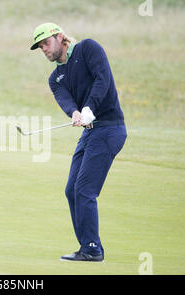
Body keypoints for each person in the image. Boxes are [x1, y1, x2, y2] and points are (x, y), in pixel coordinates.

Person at [30, 23, 127, 262]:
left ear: (59, 37)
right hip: (91, 133)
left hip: (110, 128)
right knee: (71, 190)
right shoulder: (56, 78)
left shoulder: (88, 49)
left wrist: (89, 108)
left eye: (46, 43)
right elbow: (65, 100)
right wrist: (74, 113)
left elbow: (102, 79)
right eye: (40, 46)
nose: (43, 49)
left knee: (84, 190)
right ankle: (87, 246)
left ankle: (93, 249)